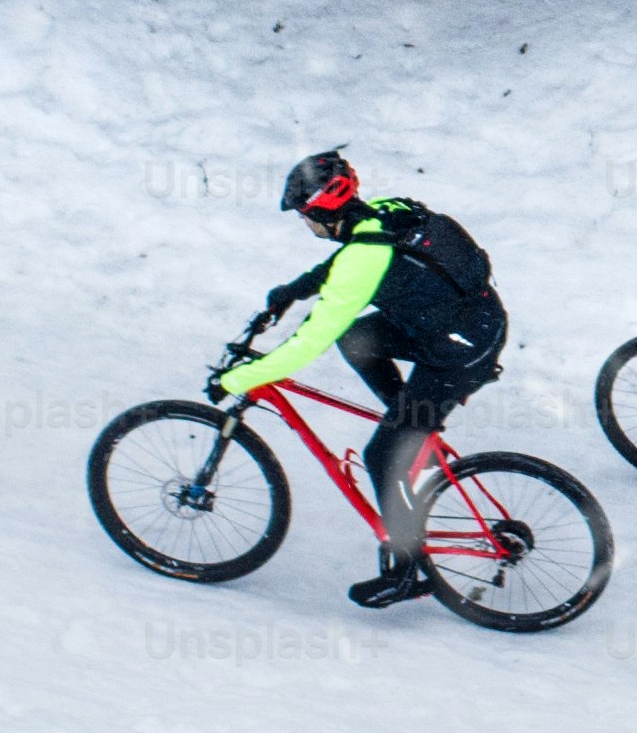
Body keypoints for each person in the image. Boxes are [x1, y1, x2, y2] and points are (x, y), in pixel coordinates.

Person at [215, 150, 509, 608]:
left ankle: (410, 570)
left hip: (459, 351)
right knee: (358, 338)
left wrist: (239, 379)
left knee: (382, 455)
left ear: (320, 213)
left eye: (303, 215)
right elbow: (344, 264)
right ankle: (414, 427)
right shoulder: (384, 213)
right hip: (469, 323)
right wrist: (290, 293)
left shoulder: (362, 259)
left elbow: (307, 344)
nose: (303, 223)